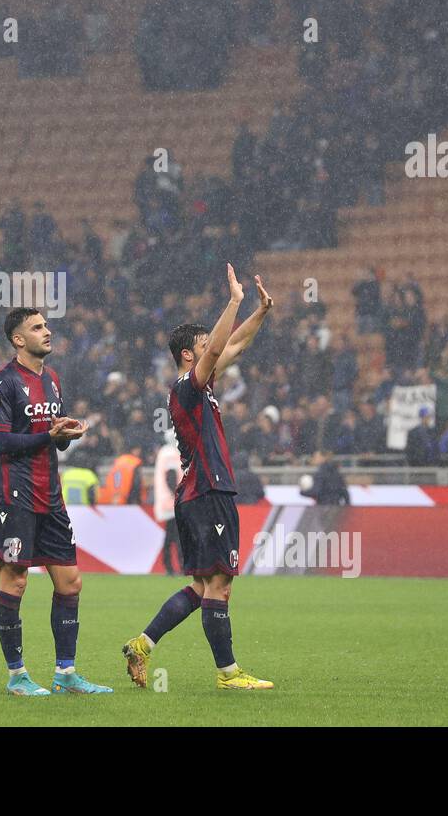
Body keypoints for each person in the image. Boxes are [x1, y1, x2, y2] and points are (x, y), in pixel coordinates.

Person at [123, 263, 276, 692]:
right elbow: (216, 351)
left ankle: (142, 643)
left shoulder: (199, 386)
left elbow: (237, 345)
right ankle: (228, 674)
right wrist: (233, 301)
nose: (215, 346)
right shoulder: (187, 386)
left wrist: (260, 313)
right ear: (189, 355)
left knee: (201, 584)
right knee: (220, 584)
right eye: (206, 343)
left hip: (196, 492)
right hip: (209, 491)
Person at [0, 308, 111, 696]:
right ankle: (17, 676)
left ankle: (66, 673)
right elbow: (1, 442)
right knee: (16, 581)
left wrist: (64, 434)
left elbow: (47, 435)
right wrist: (48, 436)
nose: (47, 331)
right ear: (18, 339)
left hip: (50, 496)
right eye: (37, 327)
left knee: (70, 583)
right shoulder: (2, 382)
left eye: (46, 325)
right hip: (15, 496)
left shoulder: (53, 380)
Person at [153, 430, 181, 575]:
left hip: (168, 500)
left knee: (170, 535)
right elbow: (171, 477)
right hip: (173, 502)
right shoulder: (171, 454)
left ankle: (169, 565)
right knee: (177, 535)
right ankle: (178, 566)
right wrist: (177, 495)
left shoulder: (165, 452)